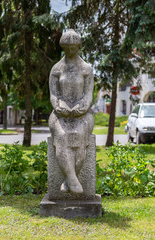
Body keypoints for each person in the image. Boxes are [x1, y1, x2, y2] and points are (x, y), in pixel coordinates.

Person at [49, 29, 94, 195]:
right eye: (67, 48)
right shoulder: (56, 69)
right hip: (59, 115)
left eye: (73, 48)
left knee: (80, 135)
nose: (70, 51)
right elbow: (53, 94)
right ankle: (73, 180)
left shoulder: (86, 69)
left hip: (82, 115)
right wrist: (58, 106)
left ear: (78, 47)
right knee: (61, 136)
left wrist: (83, 106)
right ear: (63, 48)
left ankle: (69, 180)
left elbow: (89, 93)